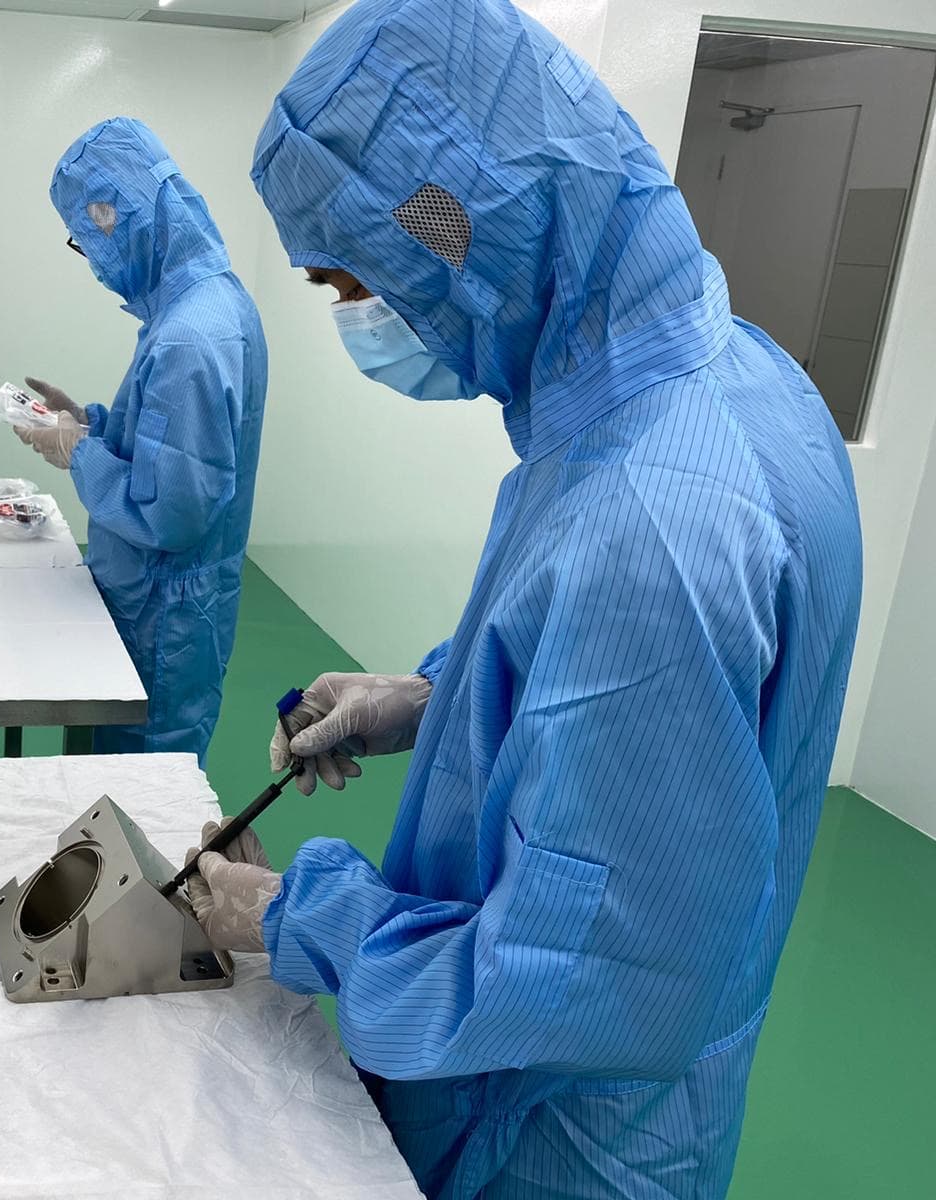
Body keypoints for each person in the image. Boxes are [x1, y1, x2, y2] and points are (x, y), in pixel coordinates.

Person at [187, 1, 863, 1196]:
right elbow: (649, 734)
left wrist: (296, 913)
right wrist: (431, 700)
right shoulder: (719, 377)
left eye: (353, 282)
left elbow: (578, 981)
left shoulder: (650, 520)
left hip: (544, 1139)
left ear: (448, 233)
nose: (356, 318)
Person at [18, 117, 267, 764]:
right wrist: (91, 422)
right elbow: (174, 443)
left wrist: (78, 450)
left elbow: (173, 512)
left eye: (86, 237)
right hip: (173, 604)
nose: (93, 258)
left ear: (111, 215)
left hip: (163, 618)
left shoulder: (189, 337)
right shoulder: (205, 304)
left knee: (140, 801)